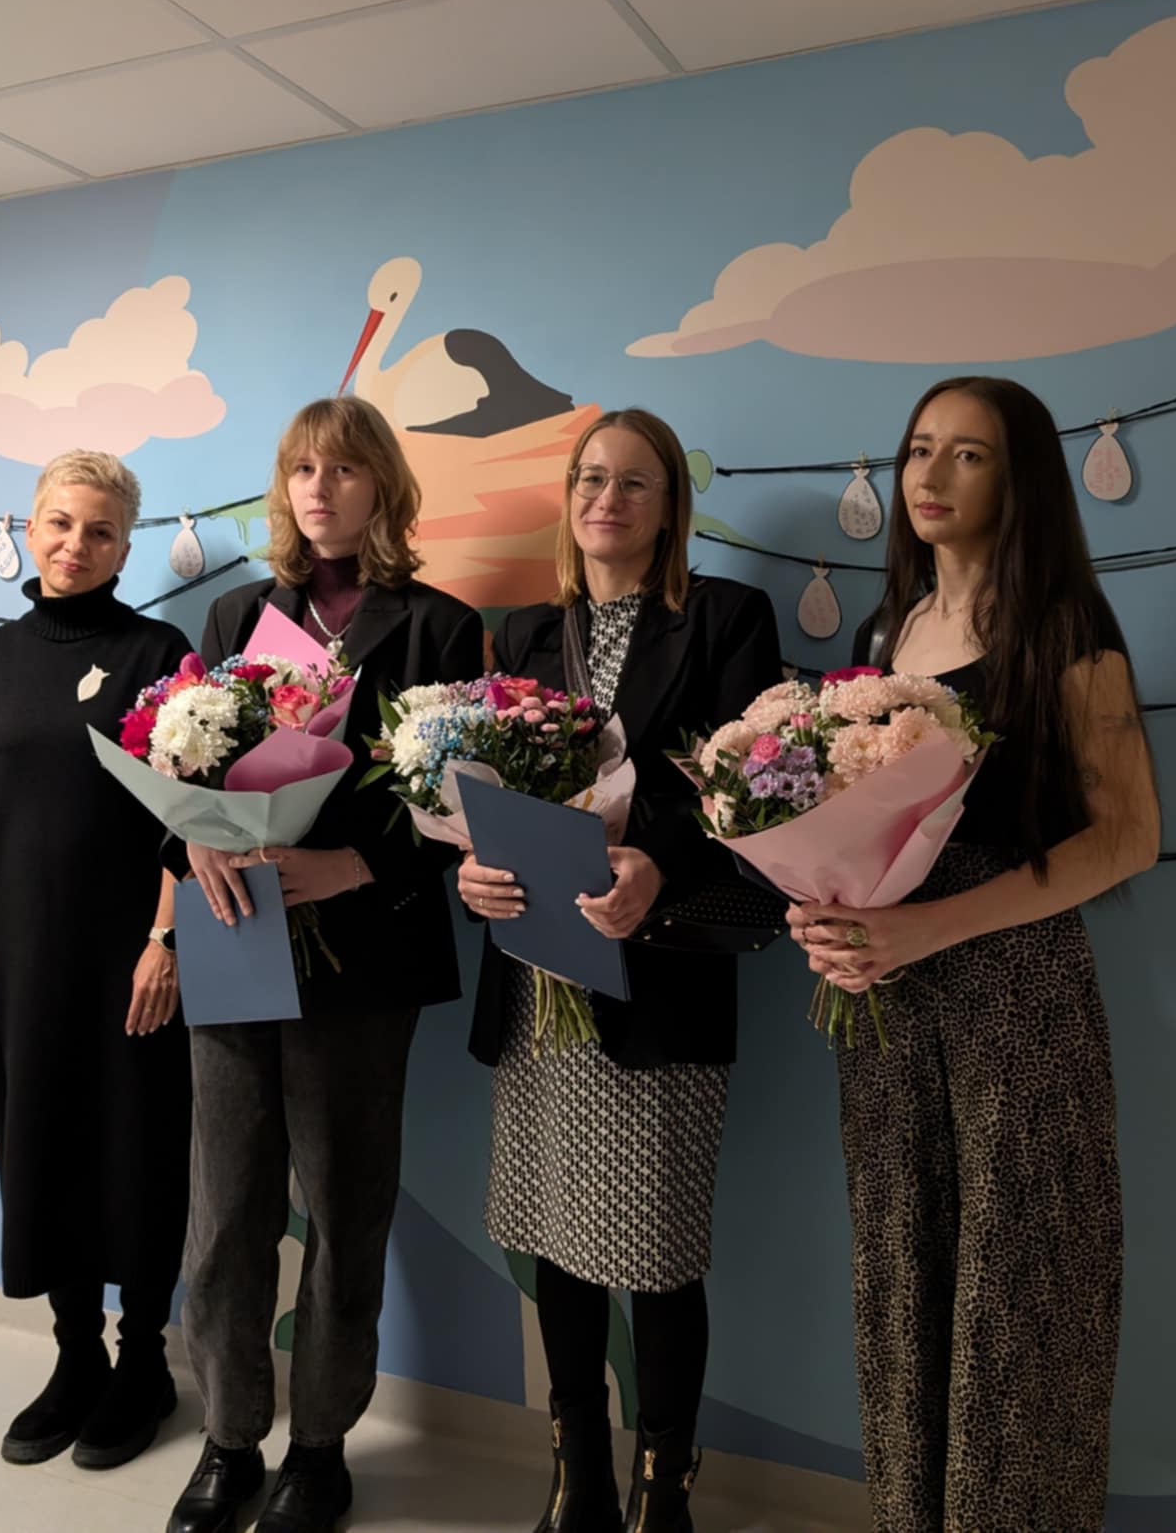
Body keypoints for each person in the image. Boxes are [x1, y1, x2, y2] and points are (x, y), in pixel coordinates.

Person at [790, 376, 1160, 1533]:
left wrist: (926, 927)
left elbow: (1128, 837)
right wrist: (823, 914)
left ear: (1021, 478)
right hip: (888, 1000)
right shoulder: (882, 633)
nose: (930, 475)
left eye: (968, 454)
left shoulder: (1066, 629)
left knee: (1018, 1287)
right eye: (917, 449)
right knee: (901, 1270)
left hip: (1016, 989)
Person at [457, 408, 782, 1533]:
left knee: (657, 1249)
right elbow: (488, 794)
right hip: (537, 982)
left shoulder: (726, 618)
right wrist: (474, 870)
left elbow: (751, 791)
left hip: (658, 983)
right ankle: (578, 1472)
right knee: (557, 1236)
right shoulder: (525, 633)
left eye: (635, 481)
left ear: (669, 504)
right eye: (590, 478)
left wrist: (660, 863)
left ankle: (664, 1488)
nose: (608, 498)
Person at [167, 395, 483, 1533]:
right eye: (303, 468)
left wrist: (357, 864)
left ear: (382, 486)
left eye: (344, 469)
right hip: (234, 934)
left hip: (364, 953)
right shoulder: (235, 612)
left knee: (345, 1211)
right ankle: (228, 1438)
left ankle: (318, 1447)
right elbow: (183, 759)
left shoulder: (441, 628)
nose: (320, 488)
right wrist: (195, 837)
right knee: (224, 1212)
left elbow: (464, 806)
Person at [0, 450, 192, 1471]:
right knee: (41, 1144)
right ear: (30, 529)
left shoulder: (158, 652)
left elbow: (188, 814)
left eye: (99, 530)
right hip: (23, 954)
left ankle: (144, 1363)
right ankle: (75, 1355)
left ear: (125, 547)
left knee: (138, 1149)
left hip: (132, 958)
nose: (75, 544)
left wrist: (163, 941)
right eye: (60, 523)